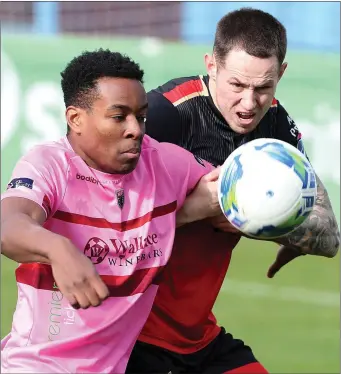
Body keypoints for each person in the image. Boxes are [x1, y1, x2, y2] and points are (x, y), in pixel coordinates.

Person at [126, 7, 340, 374]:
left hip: (196, 338)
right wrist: (205, 207)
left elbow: (329, 236)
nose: (249, 103)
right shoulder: (165, 115)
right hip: (129, 336)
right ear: (211, 65)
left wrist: (274, 222)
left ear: (281, 74)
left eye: (263, 88)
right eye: (237, 85)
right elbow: (106, 219)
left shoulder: (274, 125)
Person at [0, 49, 223, 373]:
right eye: (119, 116)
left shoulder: (166, 163)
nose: (135, 128)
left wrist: (296, 224)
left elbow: (232, 192)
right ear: (76, 119)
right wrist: (59, 249)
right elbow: (8, 225)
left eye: (141, 116)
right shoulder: (48, 165)